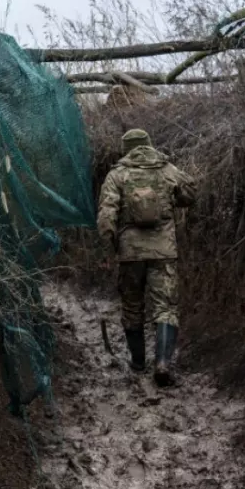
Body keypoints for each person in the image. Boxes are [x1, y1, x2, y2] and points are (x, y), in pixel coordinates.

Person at [97, 129, 196, 386]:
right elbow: (190, 194)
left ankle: (138, 362)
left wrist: (109, 250)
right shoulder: (166, 169)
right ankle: (162, 362)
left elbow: (106, 218)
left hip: (130, 254)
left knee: (132, 307)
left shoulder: (117, 175)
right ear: (149, 144)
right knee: (166, 307)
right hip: (163, 251)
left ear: (126, 147)